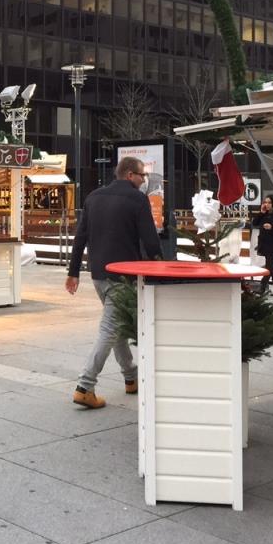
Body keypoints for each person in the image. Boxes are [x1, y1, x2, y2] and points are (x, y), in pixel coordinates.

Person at [65, 156, 162, 409]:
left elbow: (80, 237)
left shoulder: (94, 197)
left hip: (98, 274)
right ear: (130, 175)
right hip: (124, 274)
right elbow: (150, 240)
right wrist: (159, 264)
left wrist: (73, 271)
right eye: (142, 176)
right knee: (109, 330)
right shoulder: (137, 199)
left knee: (115, 325)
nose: (144, 181)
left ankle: (131, 378)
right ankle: (84, 386)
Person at [252, 194, 273, 294]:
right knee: (271, 262)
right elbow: (255, 223)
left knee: (269, 265)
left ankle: (263, 286)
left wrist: (272, 227)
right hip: (264, 242)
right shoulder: (265, 213)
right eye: (265, 202)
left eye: (269, 202)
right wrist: (261, 213)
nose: (267, 204)